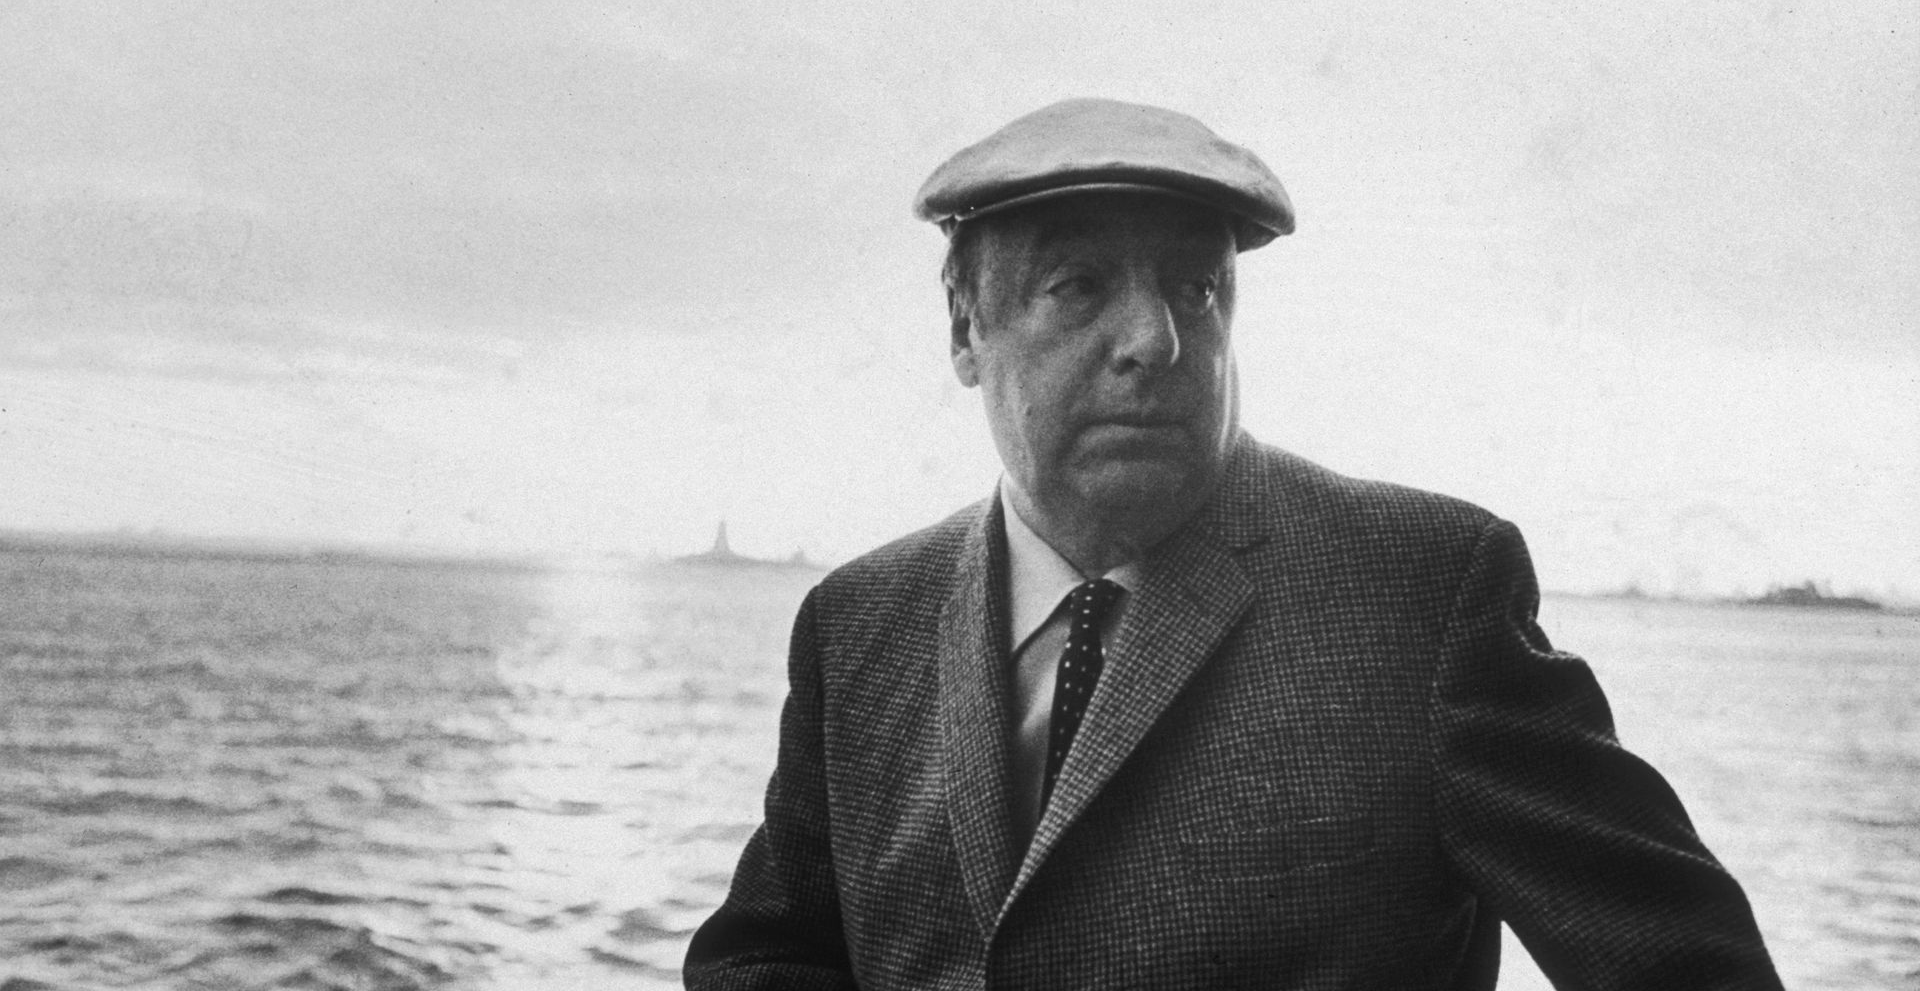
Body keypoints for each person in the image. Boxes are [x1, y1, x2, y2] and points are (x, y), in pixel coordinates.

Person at [684, 99, 1782, 989]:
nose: (1155, 340)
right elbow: (765, 958)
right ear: (967, 332)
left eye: (1196, 288)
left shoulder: (1421, 594)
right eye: (1079, 287)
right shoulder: (859, 624)